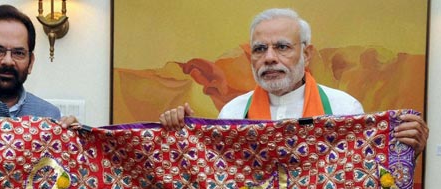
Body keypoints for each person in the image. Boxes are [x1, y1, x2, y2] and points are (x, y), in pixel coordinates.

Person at [159, 8, 428, 156]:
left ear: (306, 54)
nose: (270, 58)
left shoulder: (343, 107)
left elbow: (366, 174)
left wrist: (407, 150)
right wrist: (180, 134)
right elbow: (212, 180)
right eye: (260, 49)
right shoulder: (232, 113)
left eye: (283, 47)